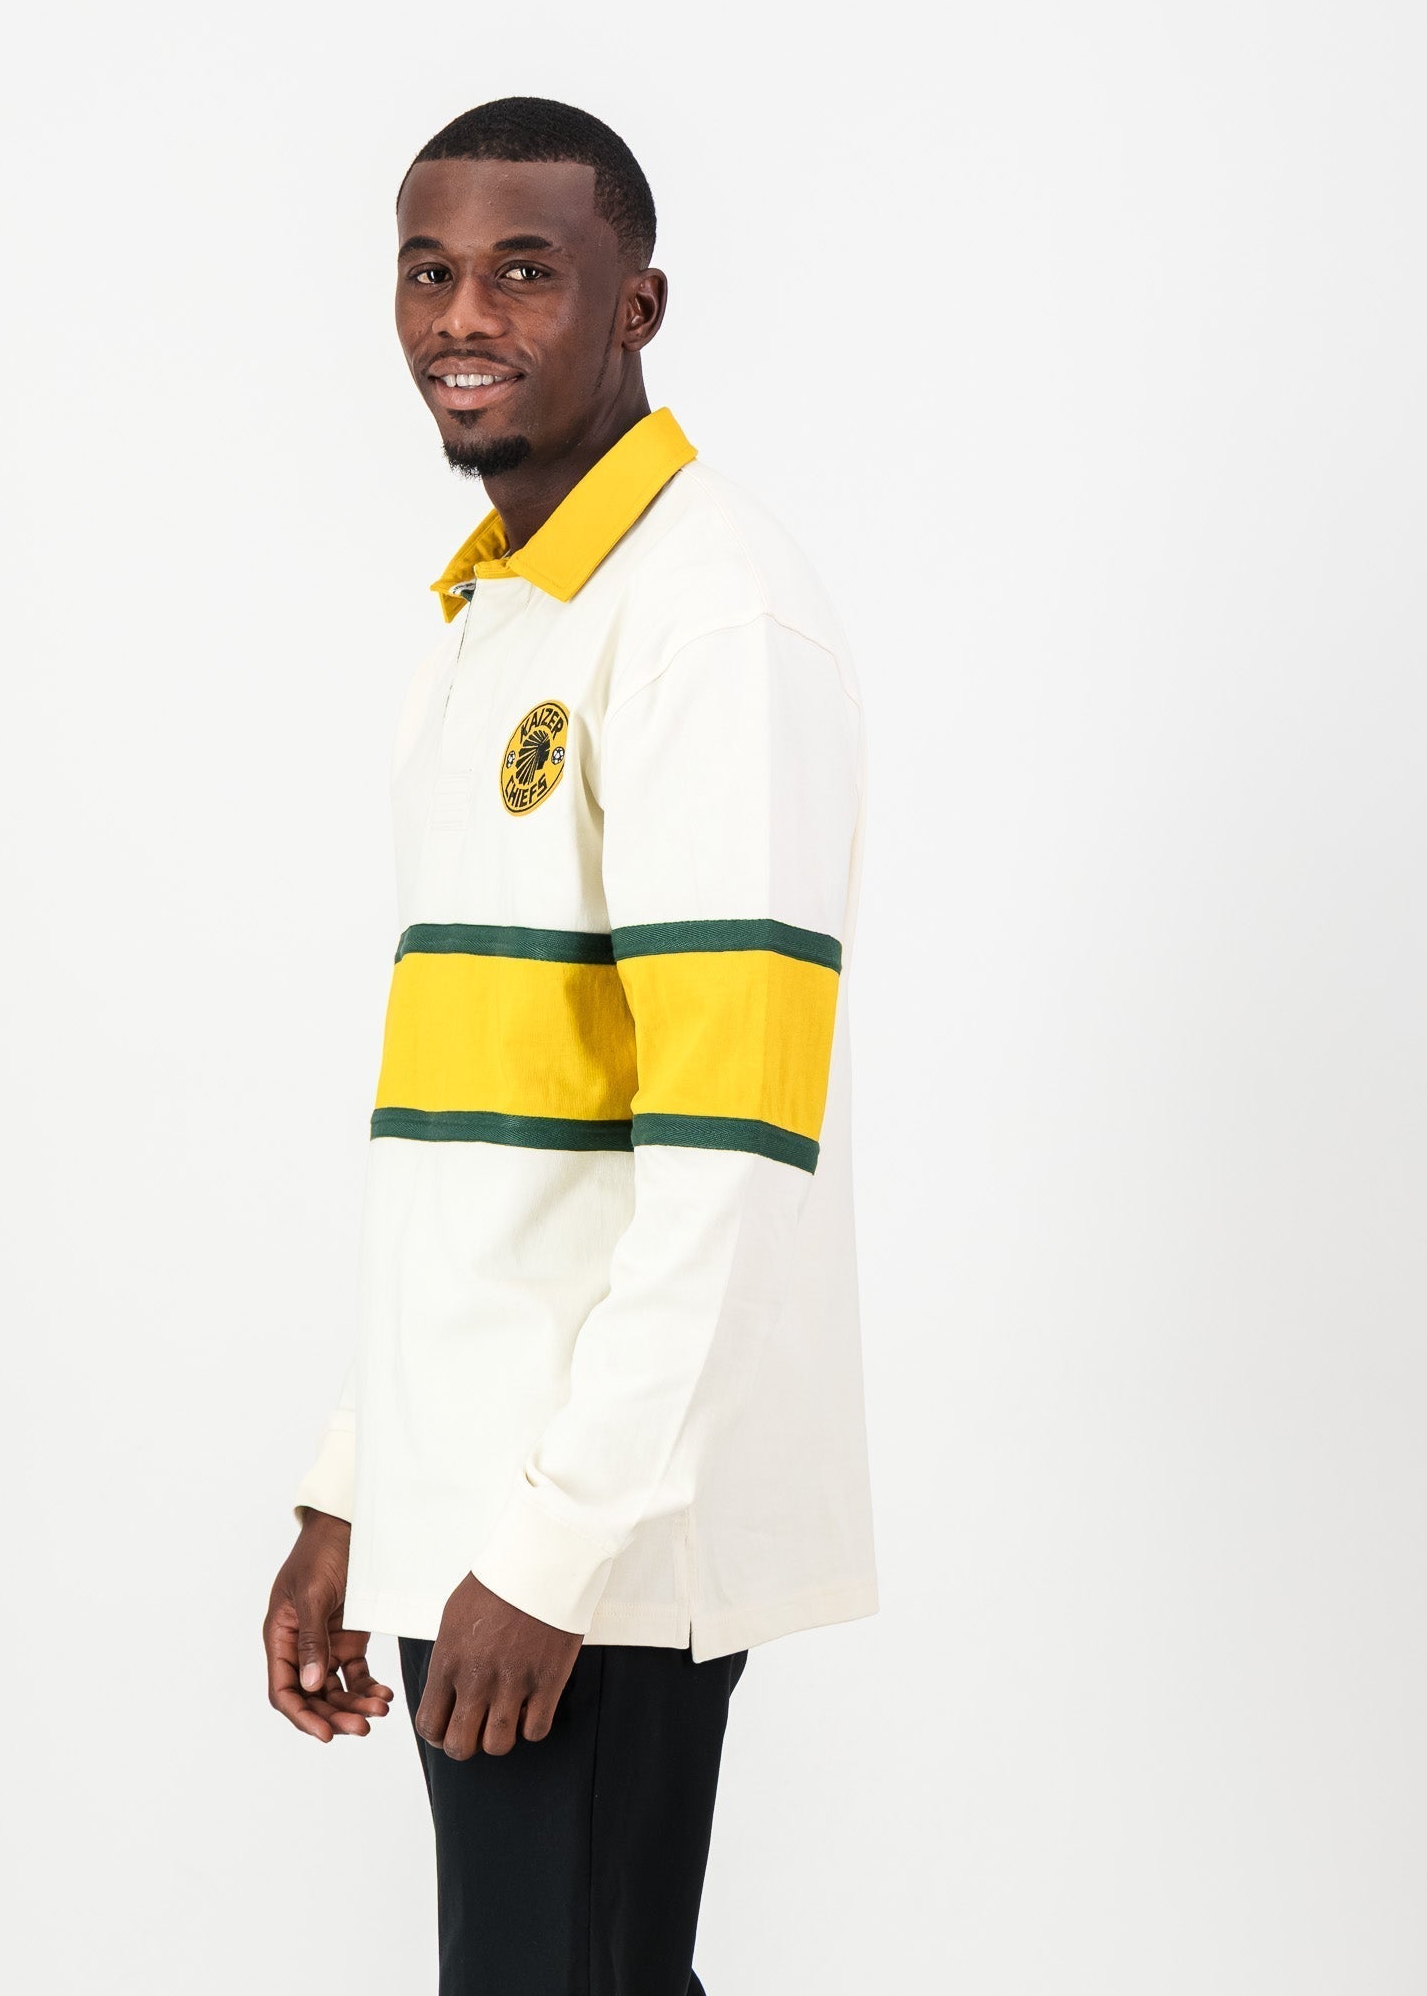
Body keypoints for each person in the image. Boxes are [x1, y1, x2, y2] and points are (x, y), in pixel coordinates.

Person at [262, 96, 876, 1995]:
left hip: (588, 1536)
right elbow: (473, 1149)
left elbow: (729, 1155)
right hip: (477, 1514)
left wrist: (556, 1551)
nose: (464, 316)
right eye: (429, 270)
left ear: (637, 305)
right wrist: (358, 1484)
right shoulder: (497, 626)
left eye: (526, 271)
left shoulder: (705, 617)